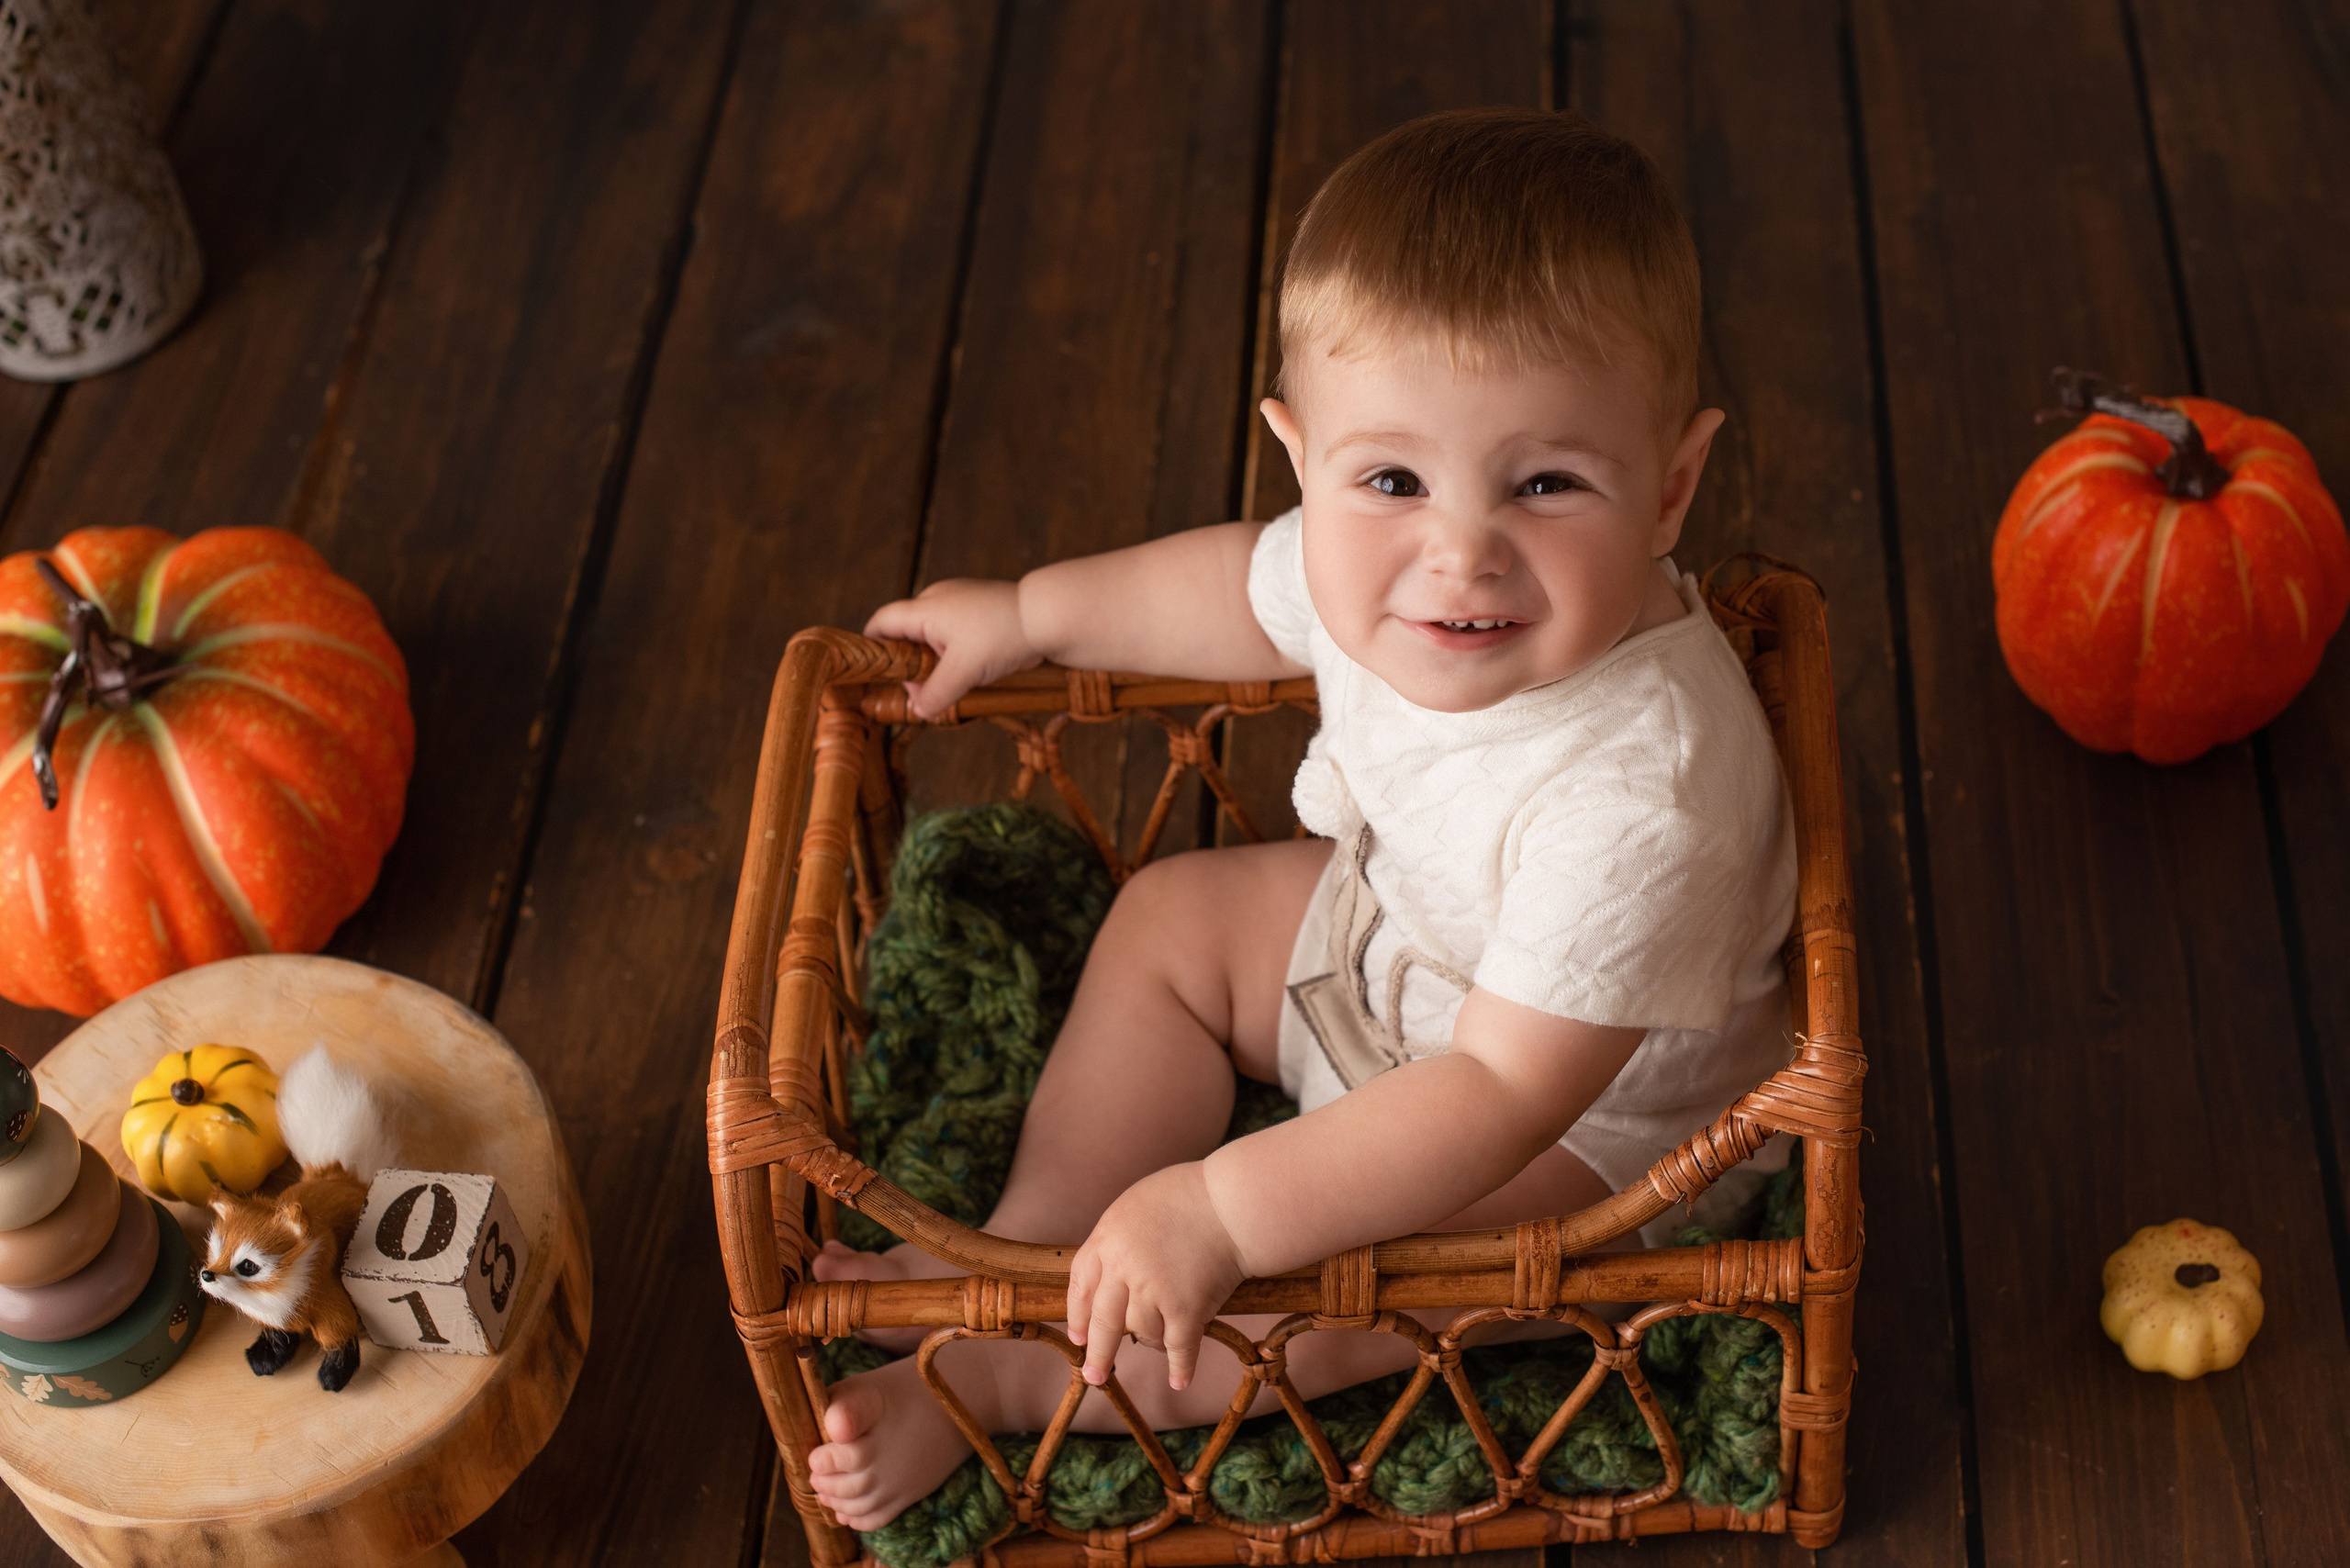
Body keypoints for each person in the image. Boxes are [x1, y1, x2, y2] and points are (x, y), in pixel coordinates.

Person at [803, 106, 1797, 1532]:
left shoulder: (1648, 786)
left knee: (1307, 1300)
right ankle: (1024, 1265)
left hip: (1579, 1134)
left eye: (1548, 484)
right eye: (1393, 479)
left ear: (1672, 488)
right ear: (1303, 453)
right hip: (1400, 948)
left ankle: (1001, 1390)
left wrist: (1218, 1210)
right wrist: (1027, 612)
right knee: (1170, 921)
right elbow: (1228, 592)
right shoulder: (1371, 562)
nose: (1460, 551)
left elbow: (1499, 1093)